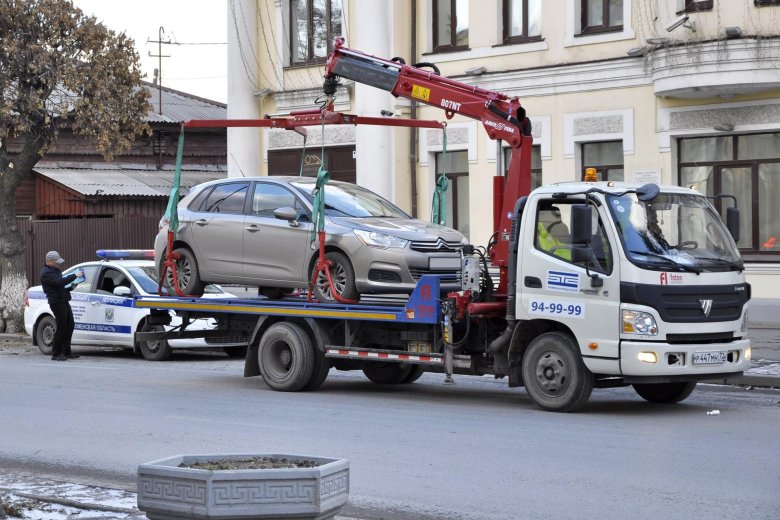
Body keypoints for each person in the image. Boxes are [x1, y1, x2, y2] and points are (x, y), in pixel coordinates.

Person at [40, 251, 83, 361]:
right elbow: (59, 282)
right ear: (50, 261)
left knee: (70, 325)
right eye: (56, 262)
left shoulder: (55, 270)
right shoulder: (46, 273)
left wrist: (71, 287)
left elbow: (61, 286)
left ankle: (66, 351)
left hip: (63, 300)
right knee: (62, 327)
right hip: (56, 302)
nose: (58, 264)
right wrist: (74, 275)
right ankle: (56, 353)